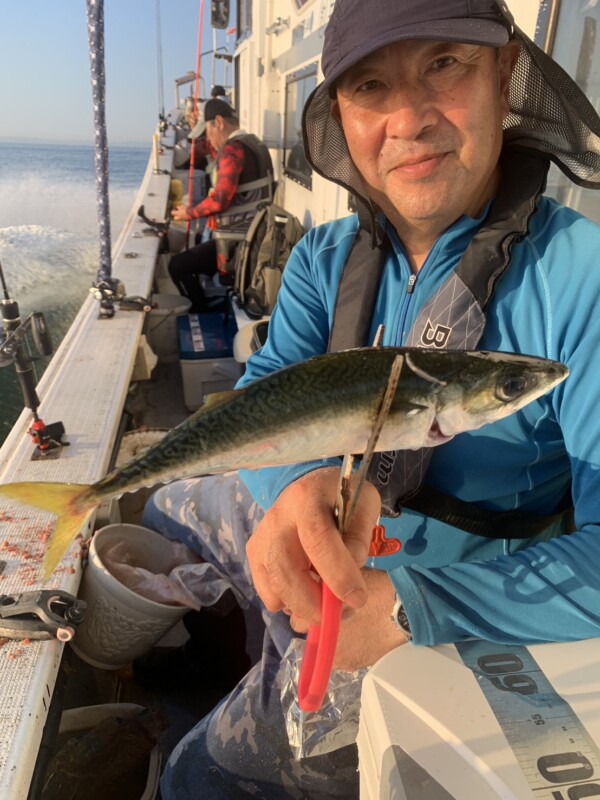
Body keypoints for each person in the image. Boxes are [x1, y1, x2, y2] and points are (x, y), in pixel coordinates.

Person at [144, 0, 600, 797]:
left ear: (504, 73)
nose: (409, 120)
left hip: (436, 611)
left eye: (444, 65)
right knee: (163, 504)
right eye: (370, 85)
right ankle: (234, 617)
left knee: (197, 778)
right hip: (332, 535)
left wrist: (407, 604)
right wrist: (291, 489)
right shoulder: (327, 257)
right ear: (341, 115)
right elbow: (261, 392)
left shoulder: (583, 281)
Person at [168, 98, 273, 312]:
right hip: (257, 237)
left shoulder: (232, 149)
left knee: (178, 265)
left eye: (207, 131)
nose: (207, 138)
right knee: (198, 246)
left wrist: (187, 213)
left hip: (237, 245)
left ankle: (201, 312)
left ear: (219, 122)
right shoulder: (255, 143)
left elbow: (220, 199)